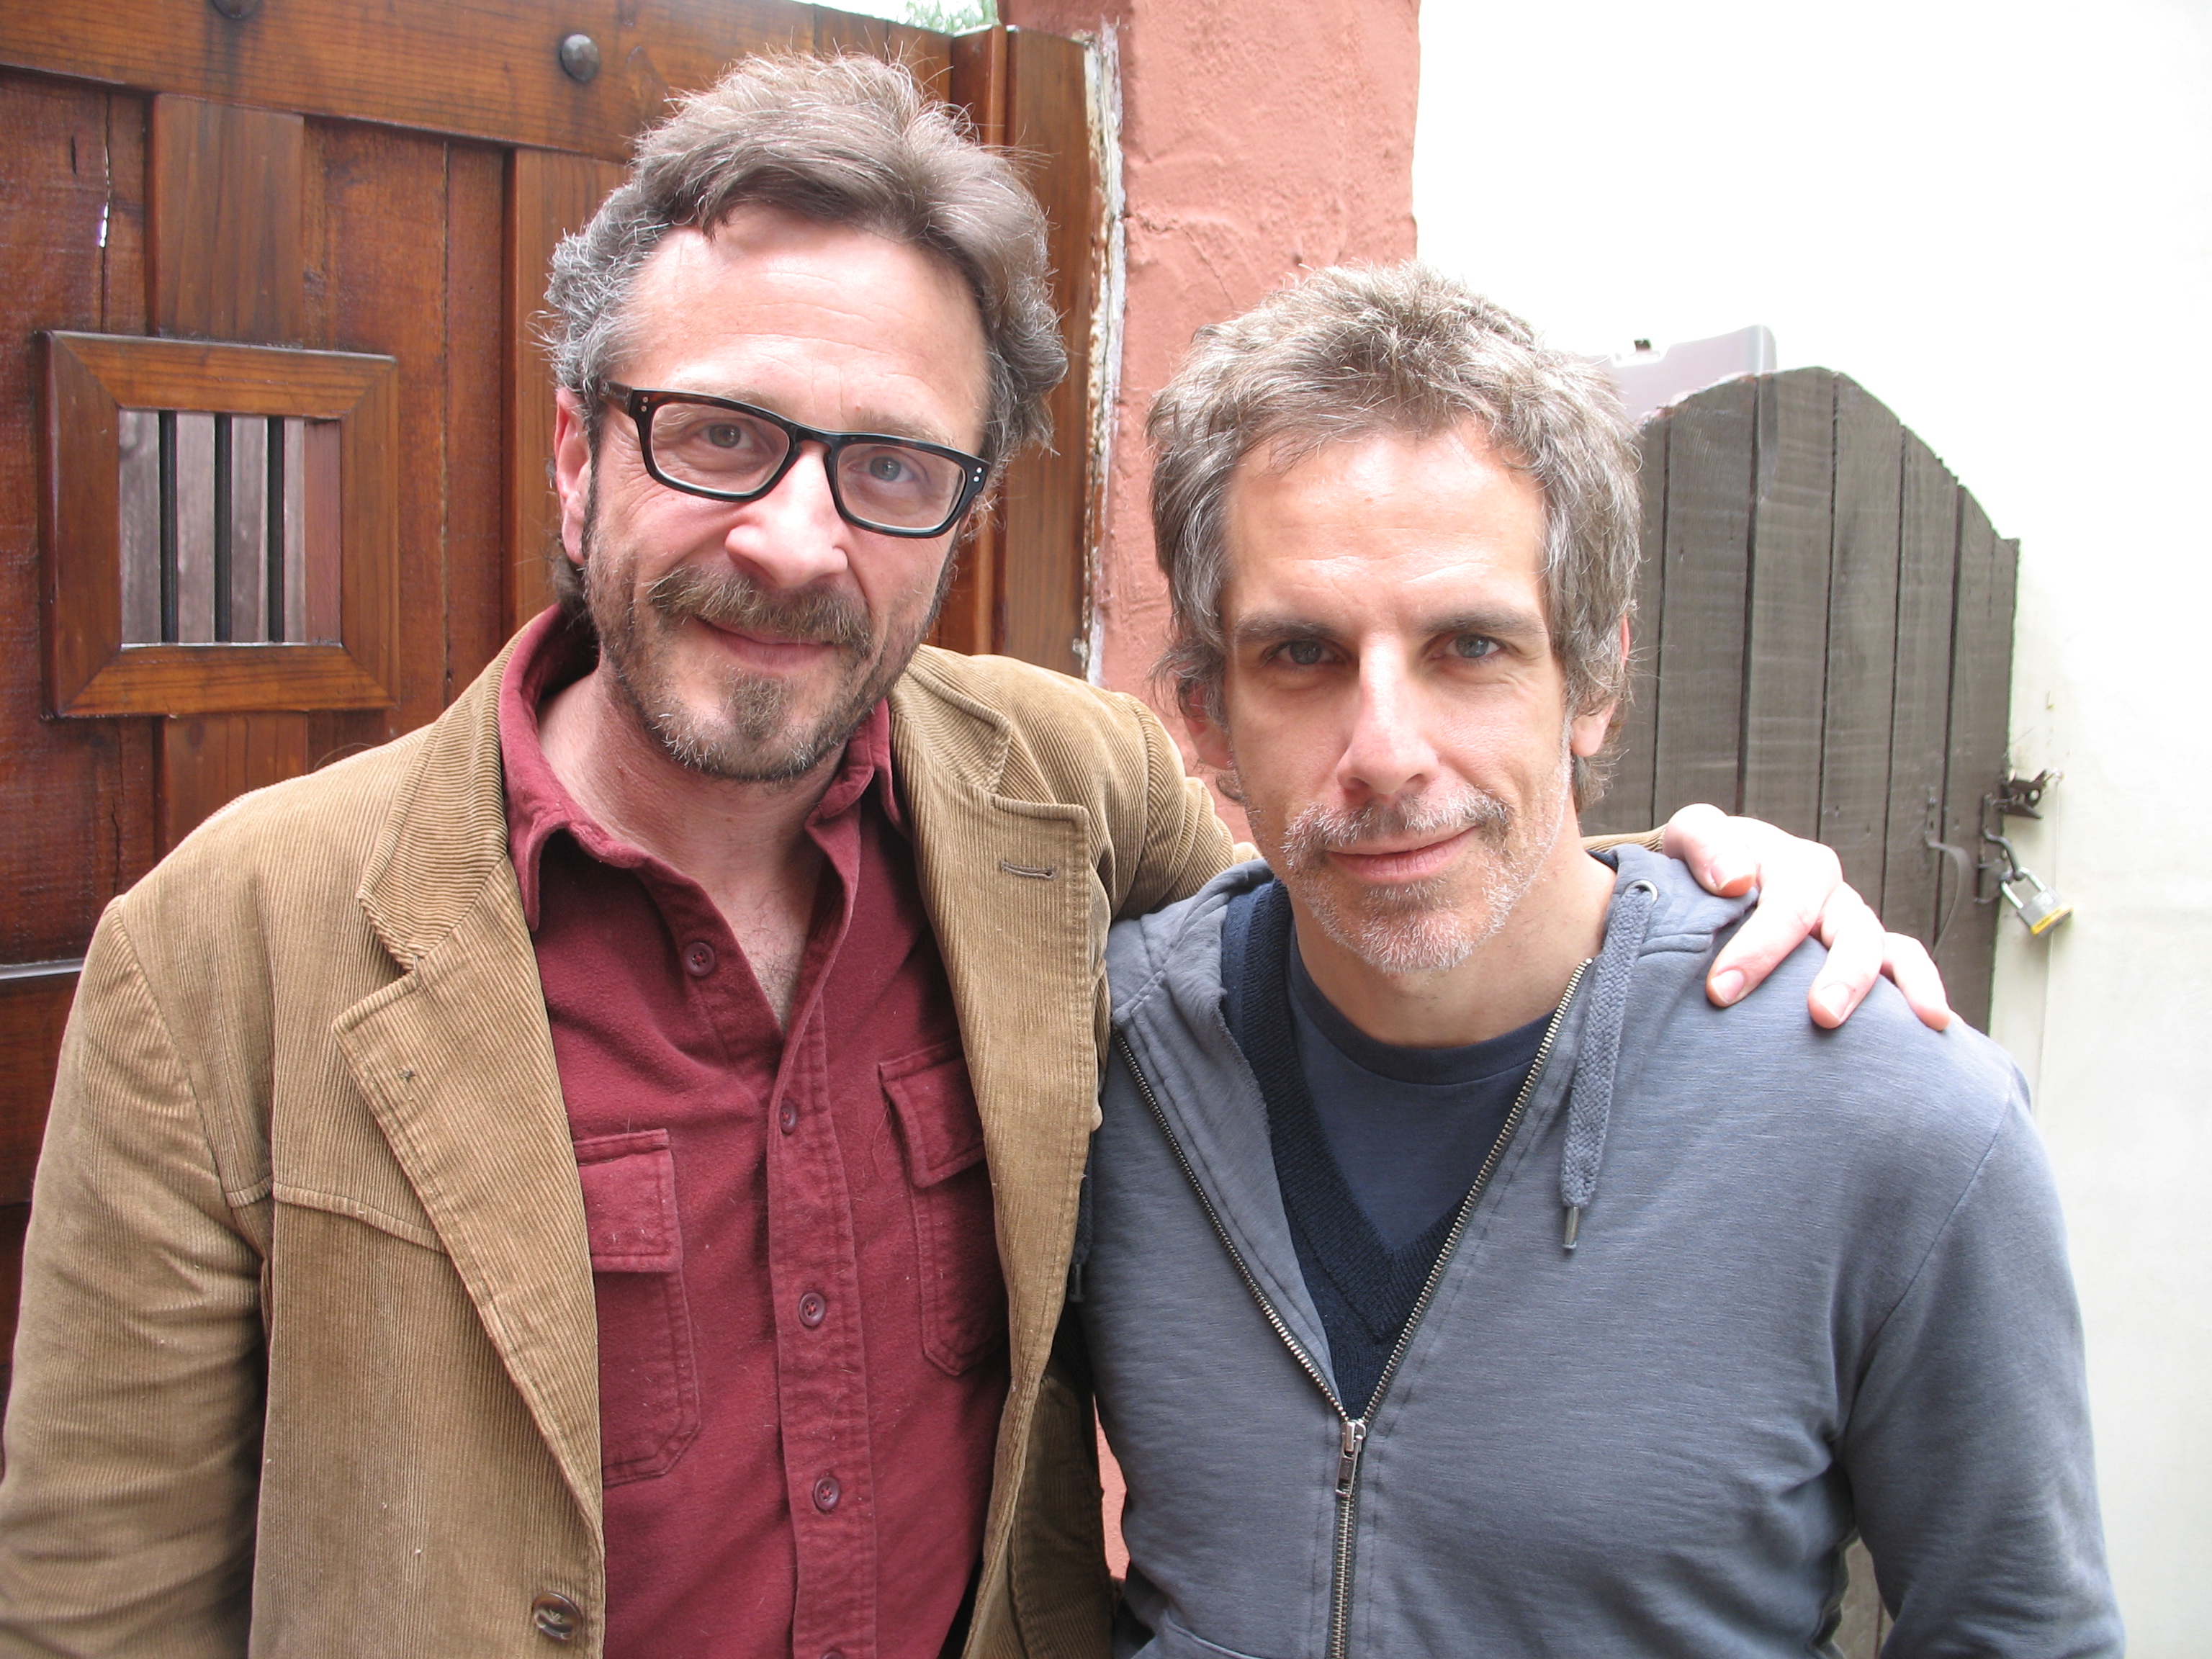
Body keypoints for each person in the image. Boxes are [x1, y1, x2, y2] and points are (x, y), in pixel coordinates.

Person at [0, 58, 1938, 1659]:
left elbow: (1373, 859)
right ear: (580, 455)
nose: (794, 539)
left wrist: (1690, 879)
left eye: (887, 467)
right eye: (719, 439)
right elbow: (98, 1601)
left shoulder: (1069, 800)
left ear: (955, 517)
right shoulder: (224, 952)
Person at [1077, 262, 2120, 1658]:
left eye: (1470, 647)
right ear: (1205, 716)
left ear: (1596, 680)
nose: (1387, 750)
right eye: (1305, 655)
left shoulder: (1893, 1120)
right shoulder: (1096, 1063)